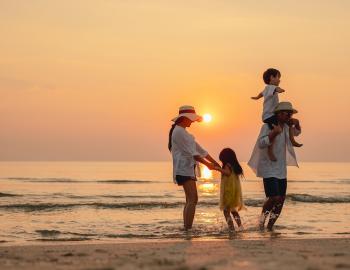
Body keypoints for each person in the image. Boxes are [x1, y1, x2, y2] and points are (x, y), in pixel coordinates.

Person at [248, 101, 301, 231]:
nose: (288, 116)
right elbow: (261, 143)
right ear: (278, 114)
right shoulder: (267, 126)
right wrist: (274, 133)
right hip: (268, 167)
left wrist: (298, 123)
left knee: (281, 199)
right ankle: (261, 221)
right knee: (273, 197)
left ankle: (270, 226)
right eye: (285, 113)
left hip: (281, 169)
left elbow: (297, 133)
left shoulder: (287, 127)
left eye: (290, 114)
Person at [168, 105, 219, 230]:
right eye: (191, 119)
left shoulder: (183, 132)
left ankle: (186, 227)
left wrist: (215, 162)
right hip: (183, 169)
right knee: (192, 199)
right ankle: (187, 228)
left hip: (187, 169)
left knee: (191, 200)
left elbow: (200, 150)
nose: (193, 121)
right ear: (184, 118)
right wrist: (208, 165)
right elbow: (193, 153)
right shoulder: (179, 132)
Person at [251, 68, 302, 161]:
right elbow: (276, 89)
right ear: (271, 77)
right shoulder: (271, 88)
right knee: (276, 130)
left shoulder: (266, 89)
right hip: (269, 116)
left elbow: (261, 94)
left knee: (288, 124)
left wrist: (257, 97)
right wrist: (280, 89)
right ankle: (270, 151)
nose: (279, 80)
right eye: (278, 77)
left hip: (269, 115)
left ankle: (292, 140)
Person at [215, 148, 245, 231]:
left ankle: (231, 228)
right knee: (233, 210)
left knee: (226, 210)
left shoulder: (227, 165)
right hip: (234, 191)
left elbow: (227, 173)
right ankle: (240, 226)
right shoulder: (234, 166)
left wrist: (219, 169)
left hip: (228, 191)